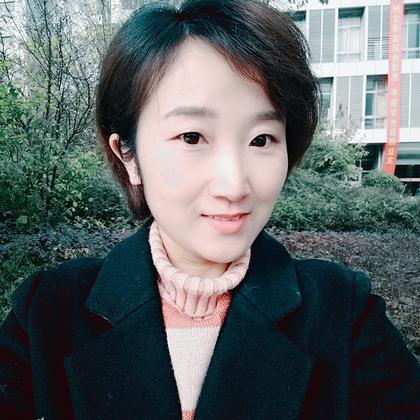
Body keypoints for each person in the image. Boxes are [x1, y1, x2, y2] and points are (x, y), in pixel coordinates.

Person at [1, 0, 419, 418]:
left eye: (261, 139)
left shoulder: (344, 313)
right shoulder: (46, 315)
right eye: (192, 137)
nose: (234, 185)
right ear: (128, 155)